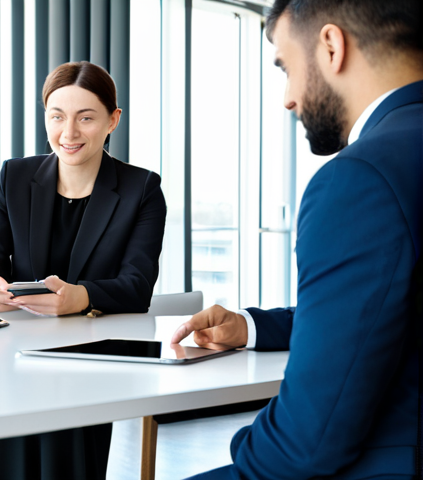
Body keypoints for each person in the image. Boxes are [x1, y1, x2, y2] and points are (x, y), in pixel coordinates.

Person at [172, 0, 423, 478]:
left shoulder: (361, 178)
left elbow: (306, 445)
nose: (288, 97)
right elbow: (393, 311)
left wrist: (241, 446)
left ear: (331, 46)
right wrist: (250, 326)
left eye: (287, 67)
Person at [0, 61, 167, 480]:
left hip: (91, 354)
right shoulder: (13, 177)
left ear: (113, 120)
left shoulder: (141, 189)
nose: (68, 133)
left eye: (85, 118)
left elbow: (137, 286)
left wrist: (81, 297)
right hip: (12, 348)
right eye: (57, 116)